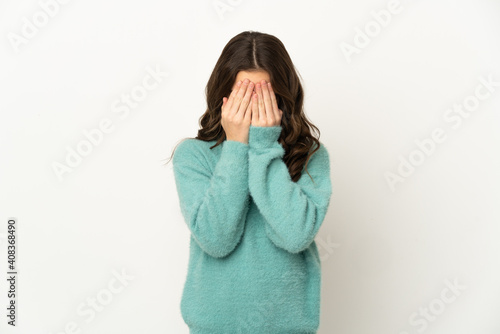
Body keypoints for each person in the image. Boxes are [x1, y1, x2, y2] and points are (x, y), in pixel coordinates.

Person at [166, 30, 332, 334]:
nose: (254, 104)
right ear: (224, 96)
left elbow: (295, 235)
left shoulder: (309, 156)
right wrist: (237, 146)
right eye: (245, 93)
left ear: (283, 96)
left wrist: (264, 145)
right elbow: (216, 240)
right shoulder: (193, 155)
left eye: (264, 93)